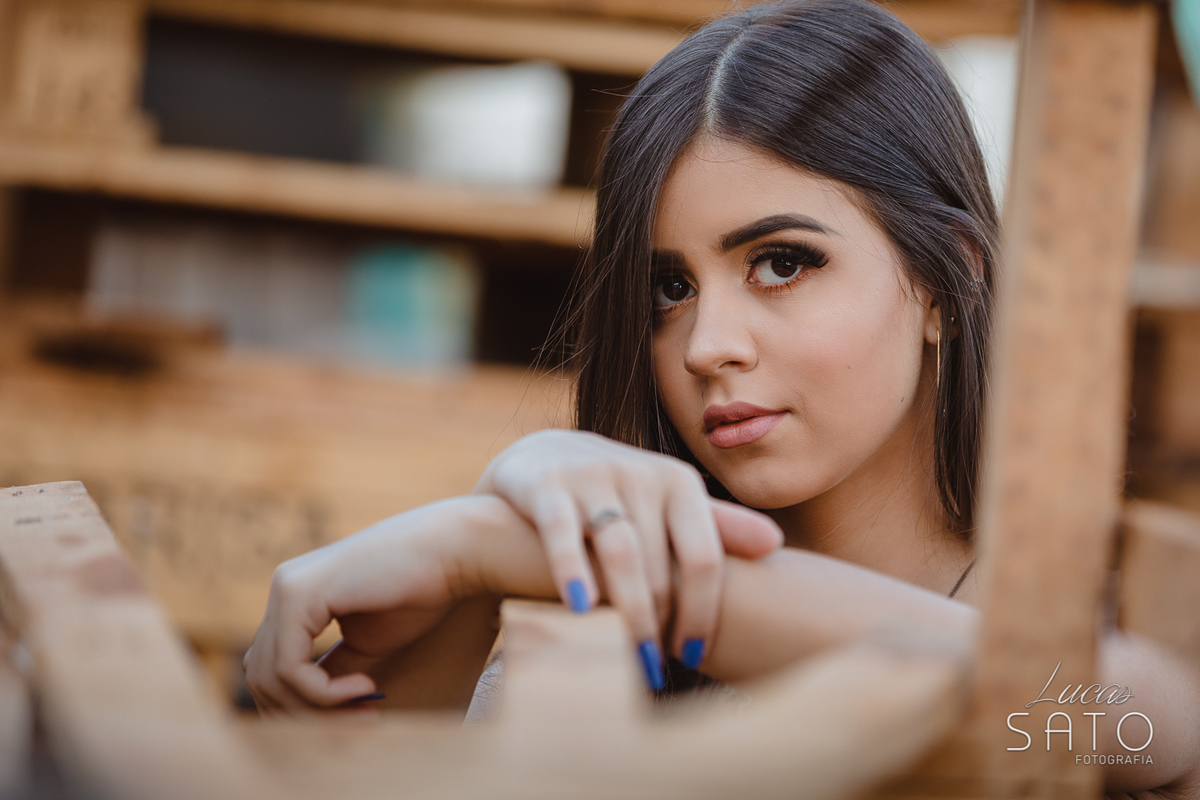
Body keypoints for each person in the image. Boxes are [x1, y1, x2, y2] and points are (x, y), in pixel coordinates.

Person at [243, 0, 1200, 794]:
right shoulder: (597, 652)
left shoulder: (1098, 623)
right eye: (669, 288)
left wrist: (495, 543)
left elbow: (1123, 720)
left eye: (782, 263)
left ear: (946, 282)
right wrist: (487, 559)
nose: (706, 347)